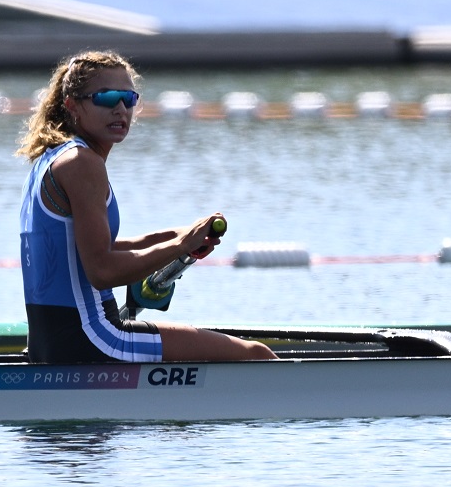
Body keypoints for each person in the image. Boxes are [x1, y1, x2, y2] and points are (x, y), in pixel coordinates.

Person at [16, 50, 275, 363]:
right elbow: (102, 270)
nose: (120, 109)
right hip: (95, 340)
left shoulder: (51, 158)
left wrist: (179, 236)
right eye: (106, 98)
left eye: (128, 98)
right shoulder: (82, 163)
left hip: (51, 344)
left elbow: (89, 249)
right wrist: (180, 245)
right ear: (72, 106)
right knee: (256, 355)